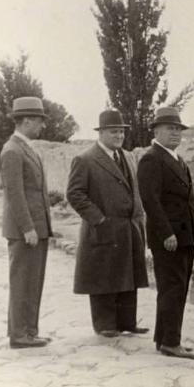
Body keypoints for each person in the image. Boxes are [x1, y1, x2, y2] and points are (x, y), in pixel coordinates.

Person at [137, 107, 194, 360]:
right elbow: (151, 200)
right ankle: (171, 342)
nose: (175, 134)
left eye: (178, 129)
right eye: (170, 129)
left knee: (176, 289)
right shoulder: (151, 158)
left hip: (185, 236)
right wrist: (166, 233)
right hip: (170, 239)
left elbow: (189, 203)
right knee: (172, 289)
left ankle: (164, 338)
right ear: (156, 131)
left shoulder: (178, 160)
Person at [66, 109, 149, 338]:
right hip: (103, 229)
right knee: (104, 277)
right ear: (101, 132)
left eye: (121, 132)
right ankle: (105, 325)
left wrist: (139, 219)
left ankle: (127, 323)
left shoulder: (127, 157)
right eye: (114, 132)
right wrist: (99, 219)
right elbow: (75, 194)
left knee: (127, 275)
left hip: (128, 228)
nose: (119, 136)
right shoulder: (85, 159)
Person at [0, 97, 53, 349]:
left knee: (33, 281)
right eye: (39, 120)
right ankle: (19, 334)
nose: (42, 125)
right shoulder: (12, 150)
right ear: (27, 120)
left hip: (36, 229)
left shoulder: (26, 147)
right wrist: (28, 227)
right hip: (26, 231)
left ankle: (30, 331)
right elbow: (15, 194)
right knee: (22, 281)